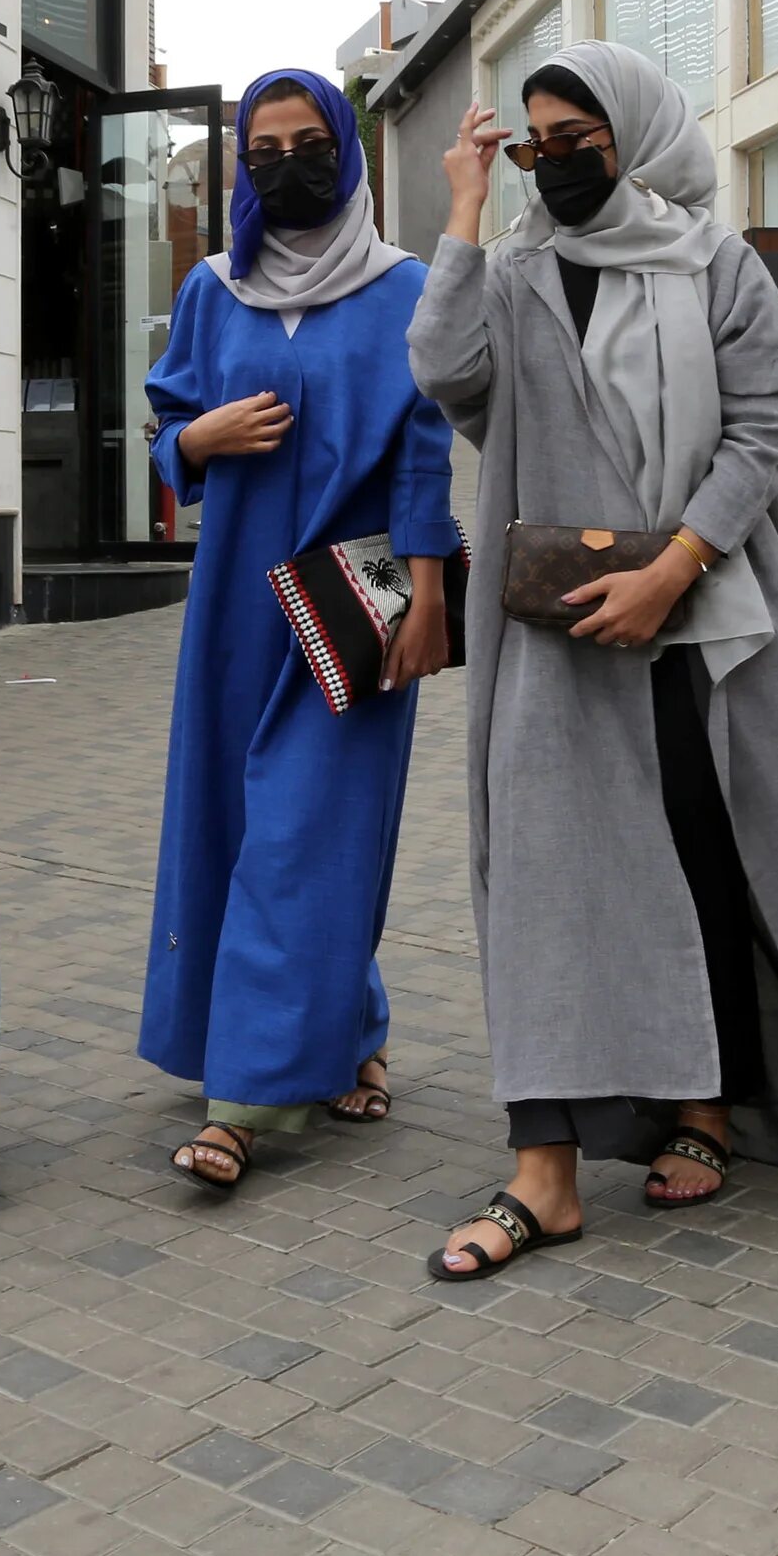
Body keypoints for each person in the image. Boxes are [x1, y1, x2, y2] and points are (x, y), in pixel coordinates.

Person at [406, 40, 778, 1282]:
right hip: (559, 621)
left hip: (705, 615)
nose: (554, 162)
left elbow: (767, 419)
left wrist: (675, 563)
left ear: (639, 134)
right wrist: (462, 211)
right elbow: (447, 376)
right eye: (536, 142)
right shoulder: (513, 269)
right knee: (547, 869)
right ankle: (543, 1171)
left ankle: (706, 1104)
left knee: (706, 852)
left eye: (580, 139)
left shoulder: (718, 263)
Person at [138, 69, 458, 1190]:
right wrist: (198, 439)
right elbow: (163, 433)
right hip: (234, 595)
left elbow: (427, 445)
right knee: (238, 819)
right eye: (260, 147)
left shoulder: (405, 286)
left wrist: (427, 594)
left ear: (349, 147)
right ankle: (349, 1028)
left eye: (305, 140)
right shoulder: (213, 291)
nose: (283, 163)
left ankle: (247, 1101)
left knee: (312, 831)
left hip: (357, 589)